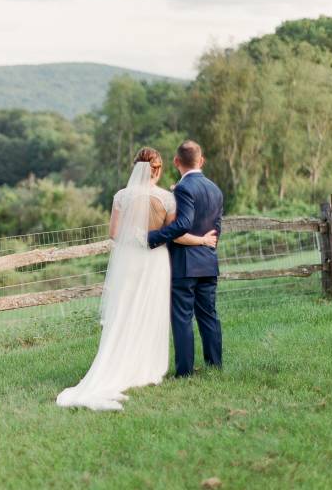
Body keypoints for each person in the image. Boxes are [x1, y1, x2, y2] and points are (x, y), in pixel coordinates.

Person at [56, 147, 217, 411]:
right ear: (159, 169)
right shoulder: (166, 198)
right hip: (155, 261)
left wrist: (137, 238)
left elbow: (114, 233)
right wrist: (202, 239)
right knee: (151, 312)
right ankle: (146, 369)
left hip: (129, 260)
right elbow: (175, 235)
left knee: (125, 311)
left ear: (135, 167)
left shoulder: (121, 196)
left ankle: (121, 363)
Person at [148, 140, 224, 378]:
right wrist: (206, 243)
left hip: (185, 264)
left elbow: (182, 225)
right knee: (209, 315)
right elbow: (216, 228)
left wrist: (152, 237)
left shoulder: (182, 189)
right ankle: (215, 365)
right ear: (201, 161)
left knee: (182, 318)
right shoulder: (215, 189)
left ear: (176, 162)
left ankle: (185, 372)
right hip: (208, 262)